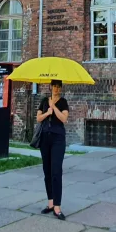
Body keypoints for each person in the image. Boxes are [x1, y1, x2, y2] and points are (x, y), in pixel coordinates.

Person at [37, 79, 69, 220]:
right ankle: (50, 203)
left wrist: (54, 108)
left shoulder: (63, 102)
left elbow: (64, 119)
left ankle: (57, 206)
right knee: (47, 171)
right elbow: (38, 118)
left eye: (58, 86)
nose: (56, 89)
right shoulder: (44, 100)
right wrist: (47, 112)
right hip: (45, 139)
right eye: (54, 86)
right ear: (50, 87)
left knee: (56, 171)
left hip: (58, 139)